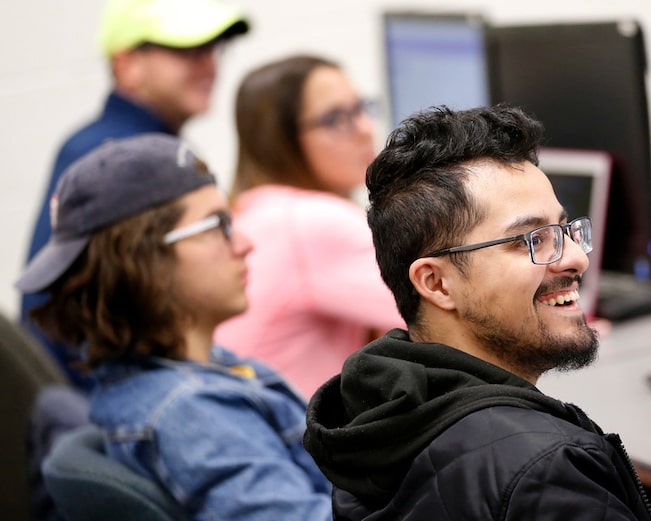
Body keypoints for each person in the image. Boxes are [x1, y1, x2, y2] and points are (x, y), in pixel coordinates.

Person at [303, 105, 651, 520]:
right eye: (531, 239)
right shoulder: (545, 468)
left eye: (565, 231)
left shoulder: (377, 424)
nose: (576, 258)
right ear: (435, 283)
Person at [17, 134, 332, 521]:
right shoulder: (191, 412)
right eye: (217, 225)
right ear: (143, 260)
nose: (245, 243)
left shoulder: (191, 374)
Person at [22, 0, 250, 391]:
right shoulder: (108, 157)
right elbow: (57, 312)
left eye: (214, 49)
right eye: (187, 50)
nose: (210, 64)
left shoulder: (151, 149)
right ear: (127, 63)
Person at [214, 55, 404, 399]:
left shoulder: (255, 209)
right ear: (280, 141)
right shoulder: (307, 222)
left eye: (360, 108)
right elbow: (450, 315)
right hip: (296, 446)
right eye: (336, 118)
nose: (363, 129)